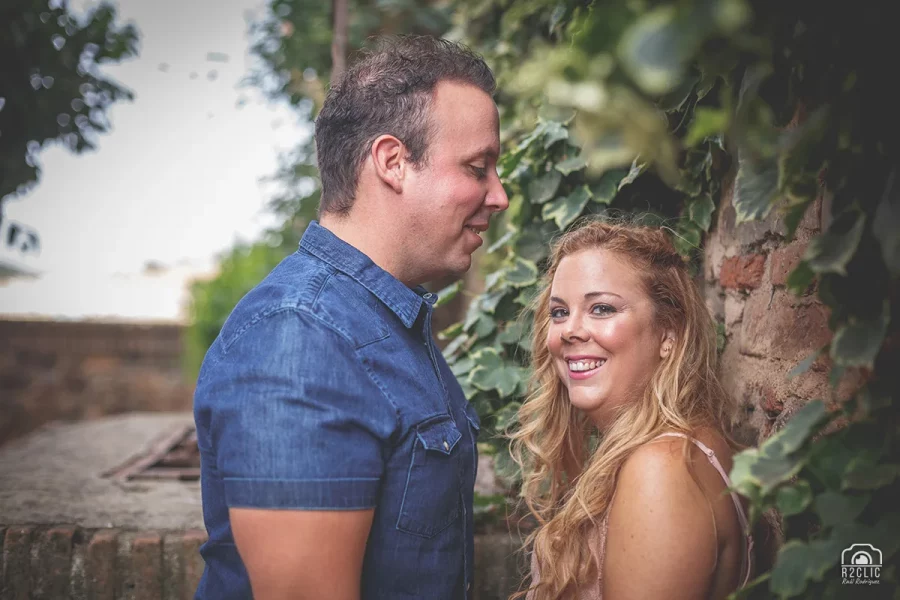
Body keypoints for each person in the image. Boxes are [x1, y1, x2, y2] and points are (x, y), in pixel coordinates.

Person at [192, 35, 509, 600]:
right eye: (478, 167)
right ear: (393, 162)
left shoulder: (381, 319)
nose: (500, 195)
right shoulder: (299, 339)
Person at [512, 220, 755, 599]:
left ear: (668, 334)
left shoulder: (662, 467)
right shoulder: (672, 446)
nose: (569, 330)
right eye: (559, 312)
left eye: (602, 308)